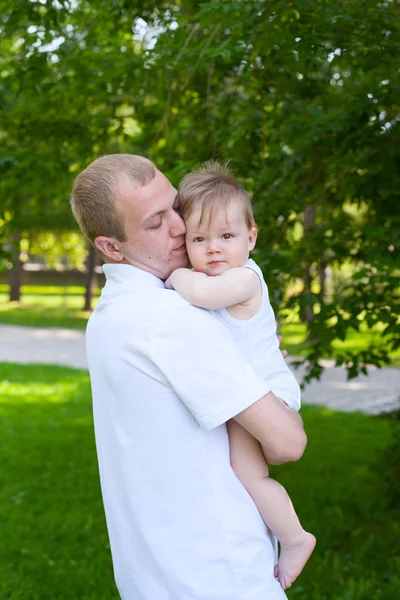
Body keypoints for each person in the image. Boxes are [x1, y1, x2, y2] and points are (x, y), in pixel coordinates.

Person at [70, 153, 307, 600]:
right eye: (156, 222)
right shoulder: (170, 317)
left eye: (175, 207)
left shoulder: (112, 312)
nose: (181, 227)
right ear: (111, 247)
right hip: (216, 576)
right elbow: (288, 443)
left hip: (157, 574)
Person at [165, 161, 316, 590]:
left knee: (251, 475)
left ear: (251, 237)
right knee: (239, 472)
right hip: (249, 390)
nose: (213, 248)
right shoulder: (225, 273)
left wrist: (175, 275)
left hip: (265, 391)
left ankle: (295, 538)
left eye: (226, 236)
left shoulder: (244, 279)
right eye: (199, 238)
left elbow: (202, 294)